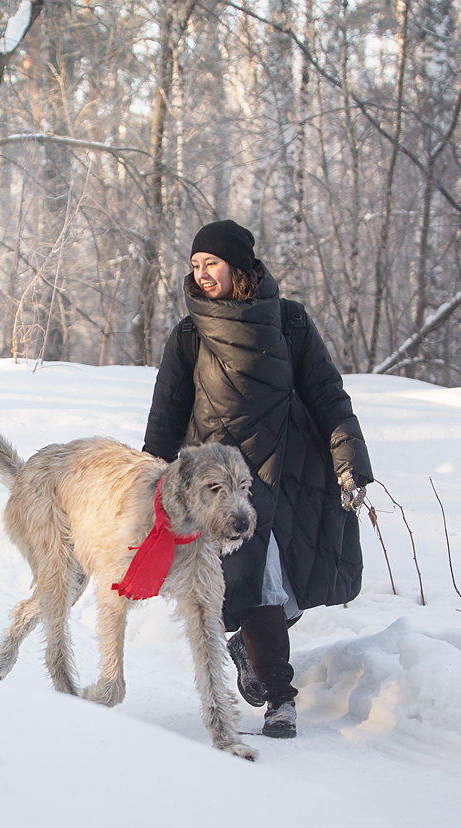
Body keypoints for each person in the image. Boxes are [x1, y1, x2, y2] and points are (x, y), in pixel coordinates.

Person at [143, 220, 373, 739]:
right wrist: (150, 482)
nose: (201, 274)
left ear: (240, 267)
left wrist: (349, 457)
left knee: (287, 586)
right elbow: (165, 416)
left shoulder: (289, 322)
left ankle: (251, 648)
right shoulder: (189, 334)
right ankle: (280, 699)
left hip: (290, 474)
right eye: (196, 264)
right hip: (222, 487)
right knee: (259, 587)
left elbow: (327, 395)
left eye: (213, 264)